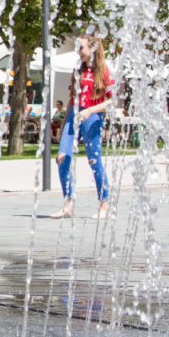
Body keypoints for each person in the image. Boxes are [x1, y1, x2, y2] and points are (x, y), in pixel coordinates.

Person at [51, 34, 115, 220]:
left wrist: (90, 111)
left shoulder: (103, 71)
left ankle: (104, 203)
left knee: (94, 161)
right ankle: (68, 204)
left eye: (81, 48)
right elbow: (73, 100)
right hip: (73, 115)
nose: (78, 51)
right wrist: (64, 125)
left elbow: (111, 101)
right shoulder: (78, 68)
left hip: (92, 116)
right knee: (62, 158)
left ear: (92, 50)